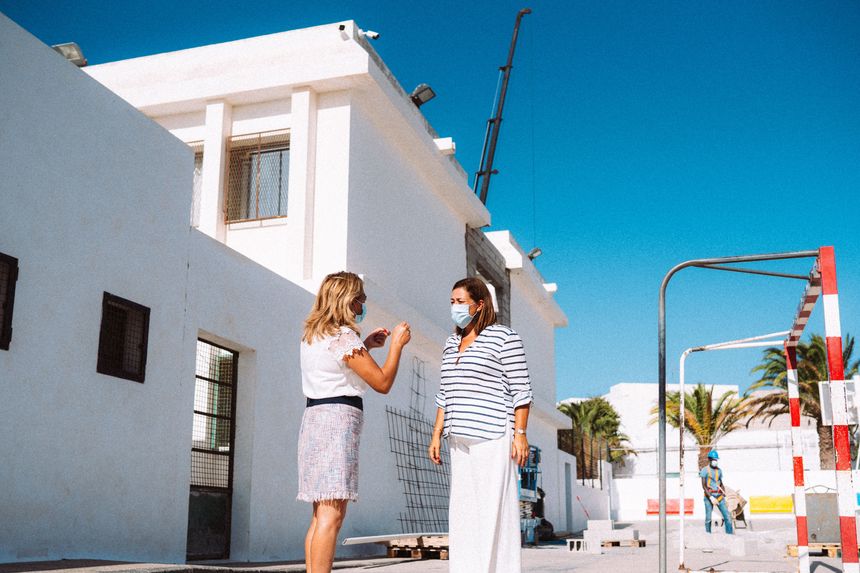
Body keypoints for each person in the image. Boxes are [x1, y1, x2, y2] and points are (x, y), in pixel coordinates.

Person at [297, 271, 411, 573]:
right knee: (332, 515)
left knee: (321, 514)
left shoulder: (315, 335)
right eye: (360, 298)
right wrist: (397, 345)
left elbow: (336, 368)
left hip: (315, 420)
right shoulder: (342, 337)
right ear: (347, 300)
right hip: (337, 423)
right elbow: (382, 382)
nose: (363, 303)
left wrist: (367, 346)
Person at [428, 276, 532, 573]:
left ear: (480, 304)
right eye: (452, 302)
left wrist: (520, 434)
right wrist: (436, 434)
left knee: (492, 513)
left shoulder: (504, 337)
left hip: (492, 435)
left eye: (460, 302)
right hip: (458, 439)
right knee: (463, 514)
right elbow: (444, 391)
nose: (455, 307)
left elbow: (521, 390)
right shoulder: (451, 343)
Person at [700, 449, 734, 534]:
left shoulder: (719, 470)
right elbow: (704, 486)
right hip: (709, 497)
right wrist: (711, 497)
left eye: (716, 460)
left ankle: (729, 536)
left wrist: (724, 494)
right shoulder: (704, 470)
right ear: (710, 460)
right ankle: (708, 535)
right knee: (708, 518)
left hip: (719, 496)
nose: (715, 461)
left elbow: (720, 483)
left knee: (727, 516)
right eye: (714, 460)